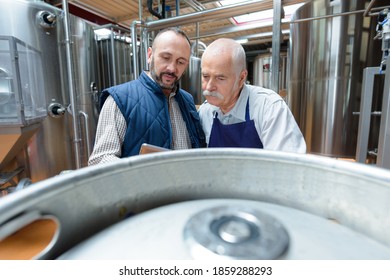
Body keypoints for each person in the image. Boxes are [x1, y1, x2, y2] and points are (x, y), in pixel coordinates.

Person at [88, 27, 206, 165]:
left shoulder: (187, 100)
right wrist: (142, 174)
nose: (172, 68)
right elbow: (101, 159)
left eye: (180, 62)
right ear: (150, 55)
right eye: (166, 57)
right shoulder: (119, 99)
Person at [198, 38, 306, 153]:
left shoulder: (268, 108)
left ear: (241, 78)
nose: (209, 87)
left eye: (220, 78)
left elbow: (287, 165)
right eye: (205, 76)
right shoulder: (205, 112)